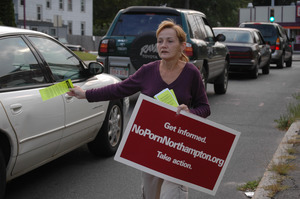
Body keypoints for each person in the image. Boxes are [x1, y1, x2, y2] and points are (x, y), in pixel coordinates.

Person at [67, 20, 211, 199]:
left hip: (178, 147)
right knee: (151, 195)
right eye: (160, 41)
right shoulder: (147, 71)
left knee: (173, 194)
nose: (163, 45)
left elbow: (204, 108)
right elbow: (118, 89)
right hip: (151, 145)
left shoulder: (191, 73)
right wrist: (85, 94)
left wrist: (190, 113)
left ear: (182, 46)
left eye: (170, 41)